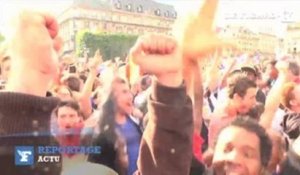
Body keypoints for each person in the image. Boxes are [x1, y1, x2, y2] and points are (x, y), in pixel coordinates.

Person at [88, 77, 142, 175]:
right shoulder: (102, 133)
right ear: (111, 97)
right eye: (124, 92)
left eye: (129, 91)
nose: (130, 96)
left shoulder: (135, 123)